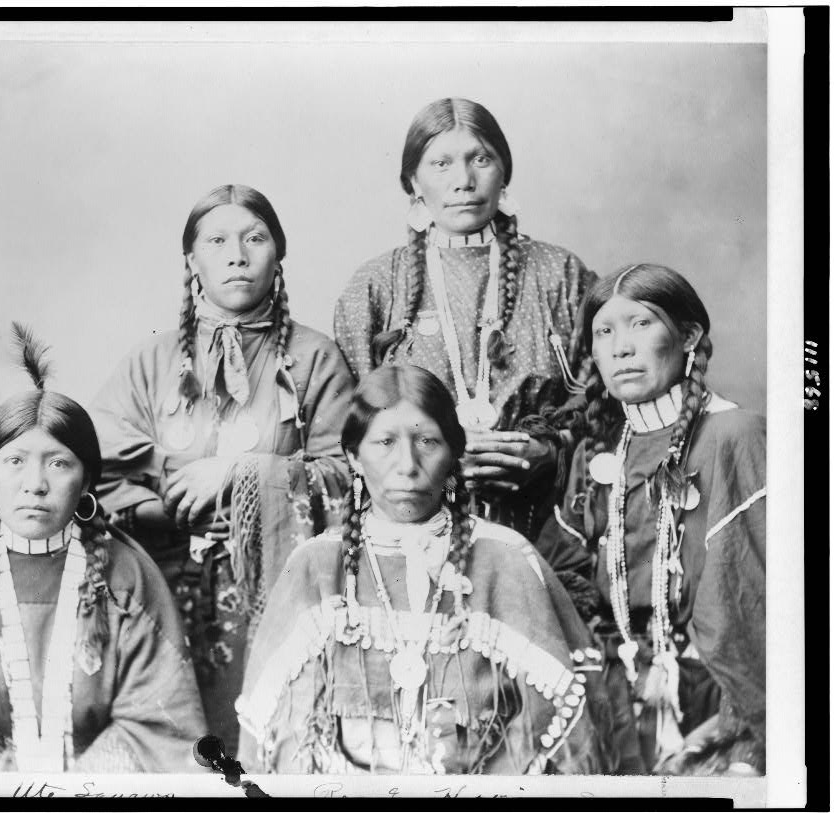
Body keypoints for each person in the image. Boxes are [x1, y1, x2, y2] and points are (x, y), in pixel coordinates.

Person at [236, 365, 613, 775]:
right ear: (354, 457)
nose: (407, 465)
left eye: (427, 442)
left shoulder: (505, 559)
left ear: (454, 454)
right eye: (385, 442)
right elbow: (279, 741)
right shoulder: (317, 566)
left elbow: (564, 726)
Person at [90, 184, 354, 755]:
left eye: (254, 238)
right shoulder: (152, 361)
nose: (237, 256)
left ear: (279, 254)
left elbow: (349, 477)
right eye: (217, 242)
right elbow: (95, 470)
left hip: (275, 599)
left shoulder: (315, 359)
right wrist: (167, 506)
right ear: (192, 260)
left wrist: (240, 474)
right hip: (161, 597)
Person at [0, 324, 207, 772]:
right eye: (15, 461)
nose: (34, 484)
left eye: (58, 463)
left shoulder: (127, 579)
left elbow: (157, 726)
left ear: (87, 480)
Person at [534, 264, 766, 775]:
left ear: (689, 336)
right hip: (613, 704)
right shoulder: (595, 453)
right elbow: (559, 582)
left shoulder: (735, 436)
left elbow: (748, 607)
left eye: (641, 323)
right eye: (605, 332)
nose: (622, 347)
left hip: (717, 701)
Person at [334, 97, 597, 542]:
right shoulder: (375, 286)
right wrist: (430, 452)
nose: (463, 181)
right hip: (412, 530)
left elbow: (604, 403)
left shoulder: (560, 274)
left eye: (481, 159)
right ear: (413, 182)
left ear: (504, 172)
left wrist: (551, 451)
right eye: (441, 164)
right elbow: (349, 428)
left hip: (548, 526)